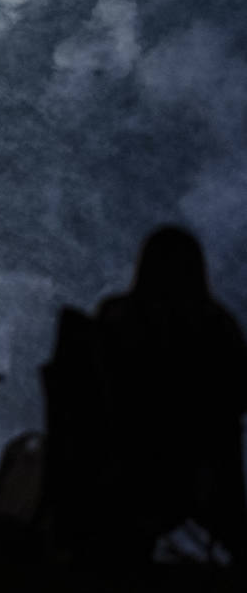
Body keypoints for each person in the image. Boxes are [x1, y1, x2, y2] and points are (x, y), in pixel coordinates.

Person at [92, 226, 247, 561]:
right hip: (204, 474)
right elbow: (237, 400)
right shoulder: (217, 326)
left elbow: (88, 392)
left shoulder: (117, 317)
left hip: (123, 472)